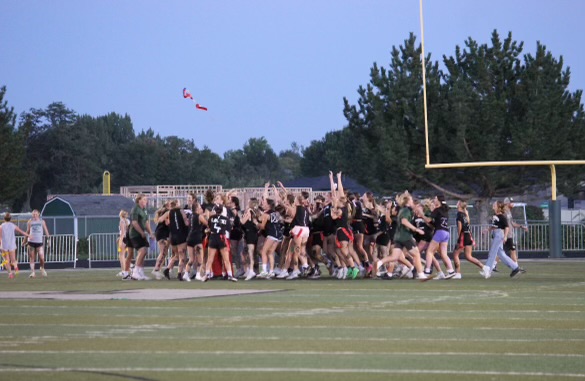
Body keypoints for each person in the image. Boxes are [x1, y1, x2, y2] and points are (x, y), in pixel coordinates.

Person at [481, 201, 526, 279]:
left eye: (494, 204)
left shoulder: (502, 216)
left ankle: (487, 270)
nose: (493, 205)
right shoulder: (495, 215)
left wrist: (505, 236)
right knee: (501, 254)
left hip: (499, 235)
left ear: (498, 207)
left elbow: (507, 227)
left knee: (492, 252)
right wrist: (487, 230)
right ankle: (515, 267)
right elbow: (494, 226)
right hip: (496, 234)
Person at [451, 200, 483, 278]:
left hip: (463, 236)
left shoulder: (459, 214)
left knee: (455, 254)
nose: (457, 203)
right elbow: (468, 222)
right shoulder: (465, 214)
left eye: (458, 202)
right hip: (468, 234)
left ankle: (458, 273)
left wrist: (459, 239)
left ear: (459, 205)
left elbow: (460, 227)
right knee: (468, 256)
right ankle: (484, 267)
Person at [128, 194, 154, 281]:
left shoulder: (144, 210)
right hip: (135, 234)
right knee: (142, 250)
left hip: (141, 233)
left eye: (146, 199)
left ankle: (140, 272)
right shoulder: (135, 209)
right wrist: (141, 232)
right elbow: (134, 223)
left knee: (145, 251)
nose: (145, 201)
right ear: (139, 200)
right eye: (143, 199)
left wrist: (150, 233)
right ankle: (135, 272)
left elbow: (146, 222)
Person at [0, 213, 29, 279]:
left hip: (4, 245)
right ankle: (16, 268)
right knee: (13, 259)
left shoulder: (1, 226)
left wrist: (1, 243)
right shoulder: (12, 225)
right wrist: (28, 235)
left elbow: (0, 237)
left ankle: (10, 273)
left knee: (6, 260)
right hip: (11, 244)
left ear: (4, 219)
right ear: (10, 219)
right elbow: (21, 231)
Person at [26, 209, 51, 278]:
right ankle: (33, 272)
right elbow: (27, 231)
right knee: (32, 258)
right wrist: (24, 241)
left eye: (36, 214)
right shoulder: (30, 222)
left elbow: (46, 231)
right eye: (33, 214)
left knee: (42, 257)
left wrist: (48, 240)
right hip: (31, 242)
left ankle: (42, 267)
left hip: (39, 242)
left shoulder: (42, 222)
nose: (34, 215)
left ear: (38, 214)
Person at [503, 197, 528, 264]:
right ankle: (516, 267)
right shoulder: (504, 212)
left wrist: (521, 226)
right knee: (510, 250)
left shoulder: (508, 212)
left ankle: (516, 267)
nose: (512, 203)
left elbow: (512, 224)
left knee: (510, 250)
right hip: (507, 235)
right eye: (511, 202)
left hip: (509, 235)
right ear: (507, 203)